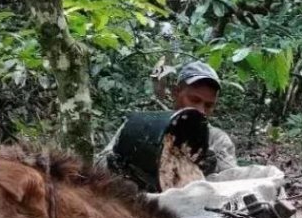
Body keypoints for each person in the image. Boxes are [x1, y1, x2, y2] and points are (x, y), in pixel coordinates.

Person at [98, 60, 237, 176]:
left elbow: (231, 182)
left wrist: (213, 166)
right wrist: (119, 162)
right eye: (194, 100)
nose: (201, 110)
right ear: (176, 93)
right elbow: (99, 166)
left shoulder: (216, 139)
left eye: (209, 105)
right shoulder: (142, 127)